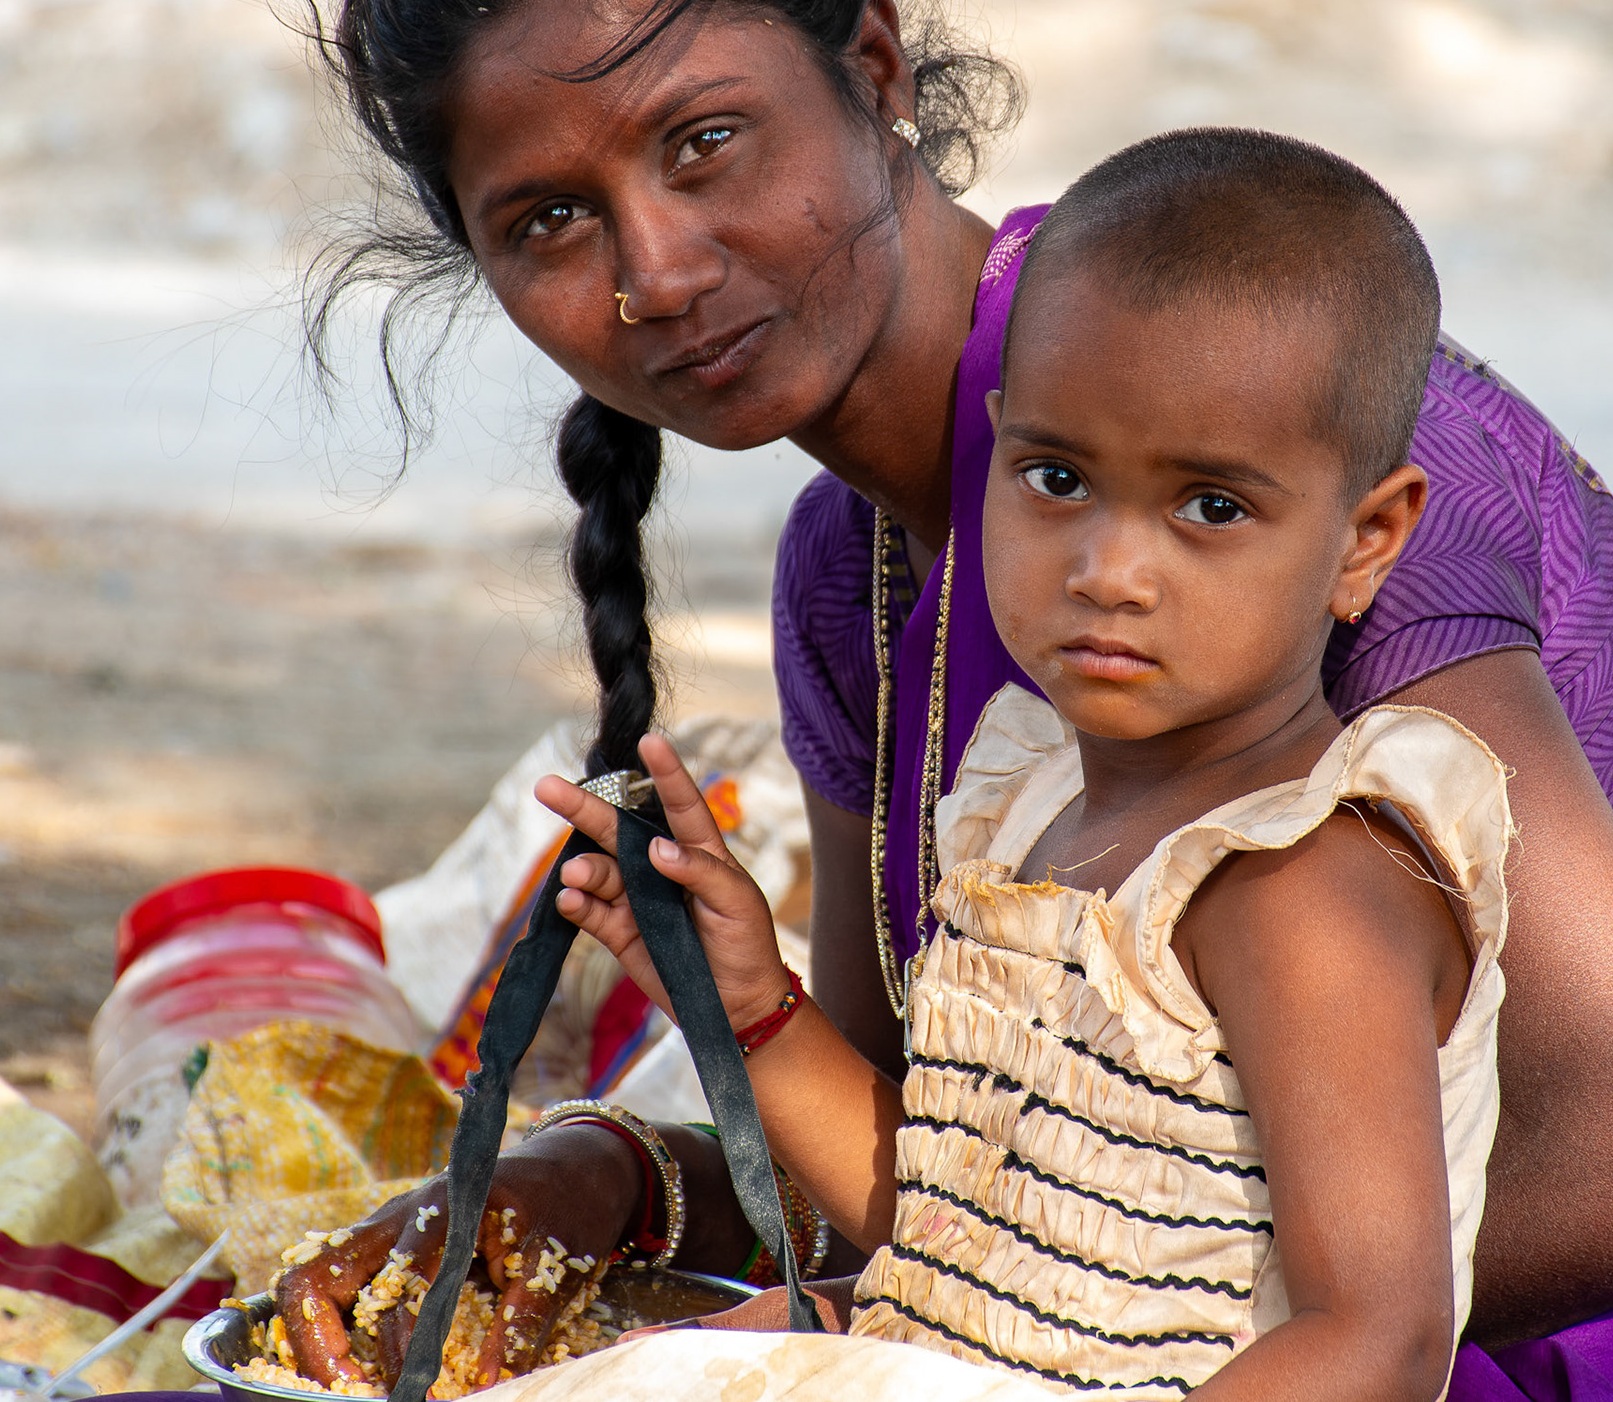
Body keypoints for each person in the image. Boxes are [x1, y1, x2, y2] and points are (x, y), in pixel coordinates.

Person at [277, 0, 1613, 1396]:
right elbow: (931, 1178)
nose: (659, 271)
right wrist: (602, 1181)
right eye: (548, 221)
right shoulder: (853, 577)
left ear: (873, 66)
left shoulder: (1279, 472)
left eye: (707, 142)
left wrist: (1001, 1339)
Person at [519, 128, 1514, 1401]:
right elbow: (948, 1220)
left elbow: (1375, 1339)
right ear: (996, 451)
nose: (1108, 570)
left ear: (1367, 539)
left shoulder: (1297, 880)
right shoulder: (1029, 802)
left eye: (1211, 506)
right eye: (1056, 479)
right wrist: (753, 1005)